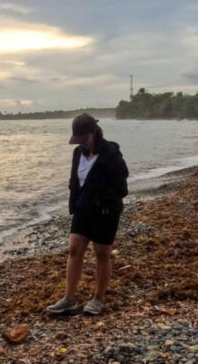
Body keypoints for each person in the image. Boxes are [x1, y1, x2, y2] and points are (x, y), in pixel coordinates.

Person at [46, 113, 129, 315]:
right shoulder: (78, 153)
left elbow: (121, 188)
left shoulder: (111, 154)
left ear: (94, 132)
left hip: (105, 212)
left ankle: (98, 299)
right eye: (78, 139)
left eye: (83, 137)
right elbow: (75, 180)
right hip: (83, 209)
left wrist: (101, 203)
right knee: (74, 249)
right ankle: (69, 299)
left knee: (102, 253)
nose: (81, 142)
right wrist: (75, 199)